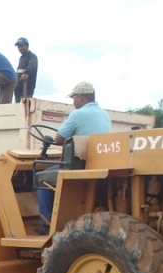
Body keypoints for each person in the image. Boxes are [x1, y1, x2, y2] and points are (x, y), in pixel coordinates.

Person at [36, 81, 112, 234]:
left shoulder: (78, 114)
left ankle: (46, 223)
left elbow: (58, 139)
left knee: (42, 178)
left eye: (73, 98)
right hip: (99, 164)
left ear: (80, 97)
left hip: (80, 164)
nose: (73, 102)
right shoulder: (105, 115)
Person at [14, 37, 38, 102]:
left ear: (27, 46)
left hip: (27, 89)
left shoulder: (32, 56)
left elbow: (31, 66)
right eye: (18, 47)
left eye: (21, 46)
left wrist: (26, 73)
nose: (20, 49)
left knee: (25, 108)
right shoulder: (21, 58)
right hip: (18, 89)